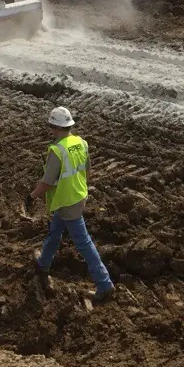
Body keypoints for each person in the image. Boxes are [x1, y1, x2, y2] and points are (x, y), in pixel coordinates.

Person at [25, 106, 115, 305]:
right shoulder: (80, 143)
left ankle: (104, 283)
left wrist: (32, 197)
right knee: (55, 230)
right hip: (77, 196)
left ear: (54, 128)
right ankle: (44, 263)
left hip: (67, 202)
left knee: (83, 242)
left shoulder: (57, 151)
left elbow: (47, 181)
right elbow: (88, 171)